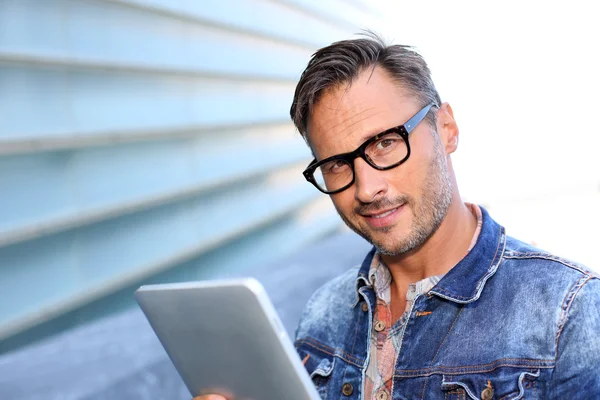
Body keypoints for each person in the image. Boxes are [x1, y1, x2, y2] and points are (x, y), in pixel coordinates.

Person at [194, 33, 600, 399]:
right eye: (337, 164)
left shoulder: (568, 313)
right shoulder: (324, 314)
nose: (367, 189)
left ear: (446, 128)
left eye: (386, 143)